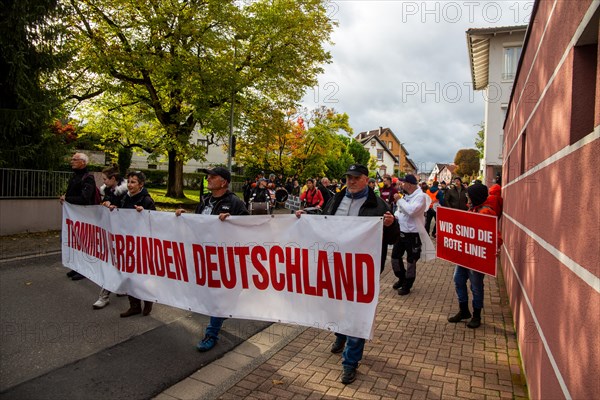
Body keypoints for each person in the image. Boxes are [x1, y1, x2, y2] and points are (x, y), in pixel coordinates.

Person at [296, 164, 399, 385]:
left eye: (355, 178)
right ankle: (341, 335)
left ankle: (350, 362)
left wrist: (391, 225)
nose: (350, 181)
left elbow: (392, 239)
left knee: (357, 312)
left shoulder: (379, 205)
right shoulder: (336, 199)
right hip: (335, 265)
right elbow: (323, 223)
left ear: (366, 179)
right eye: (348, 177)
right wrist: (304, 218)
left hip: (363, 270)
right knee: (339, 306)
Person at [175, 167, 248, 351]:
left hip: (225, 259)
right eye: (208, 176)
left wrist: (232, 221)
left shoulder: (235, 203)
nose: (208, 179)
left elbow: (247, 227)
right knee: (213, 294)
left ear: (224, 182)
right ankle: (222, 312)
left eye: (213, 176)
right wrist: (183, 218)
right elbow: (198, 224)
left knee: (219, 294)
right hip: (205, 257)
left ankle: (211, 334)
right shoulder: (205, 200)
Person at [448, 183, 499, 329]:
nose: (467, 198)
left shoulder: (486, 213)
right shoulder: (472, 209)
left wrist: (495, 246)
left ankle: (476, 315)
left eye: (468, 196)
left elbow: (494, 235)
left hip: (476, 257)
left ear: (475, 197)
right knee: (458, 280)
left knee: (476, 286)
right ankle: (464, 310)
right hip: (464, 255)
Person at [108, 171, 157, 317]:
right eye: (128, 181)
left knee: (140, 275)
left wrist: (144, 213)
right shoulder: (124, 198)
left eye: (133, 182)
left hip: (140, 243)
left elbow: (154, 220)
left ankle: (147, 300)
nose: (130, 185)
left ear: (141, 184)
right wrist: (111, 207)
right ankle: (134, 305)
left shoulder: (147, 200)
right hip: (125, 242)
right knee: (128, 274)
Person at [92, 165, 128, 309]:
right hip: (110, 233)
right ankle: (110, 292)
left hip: (122, 234)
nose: (104, 182)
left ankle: (106, 294)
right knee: (113, 263)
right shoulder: (107, 190)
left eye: (106, 179)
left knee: (117, 263)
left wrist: (115, 207)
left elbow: (127, 211)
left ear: (114, 179)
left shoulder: (125, 192)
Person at [60, 152, 98, 281]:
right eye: (72, 159)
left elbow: (84, 198)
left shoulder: (88, 178)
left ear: (83, 162)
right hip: (75, 216)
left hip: (84, 217)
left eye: (75, 159)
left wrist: (67, 199)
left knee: (84, 243)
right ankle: (77, 267)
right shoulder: (75, 176)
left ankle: (84, 270)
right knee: (75, 242)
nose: (72, 161)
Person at [391, 174, 428, 295]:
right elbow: (400, 211)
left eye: (403, 183)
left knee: (411, 261)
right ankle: (401, 277)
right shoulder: (407, 195)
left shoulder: (420, 197)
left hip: (413, 234)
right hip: (401, 232)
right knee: (395, 257)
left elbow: (411, 211)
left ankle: (408, 284)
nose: (401, 184)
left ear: (409, 185)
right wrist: (394, 216)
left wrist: (399, 200)